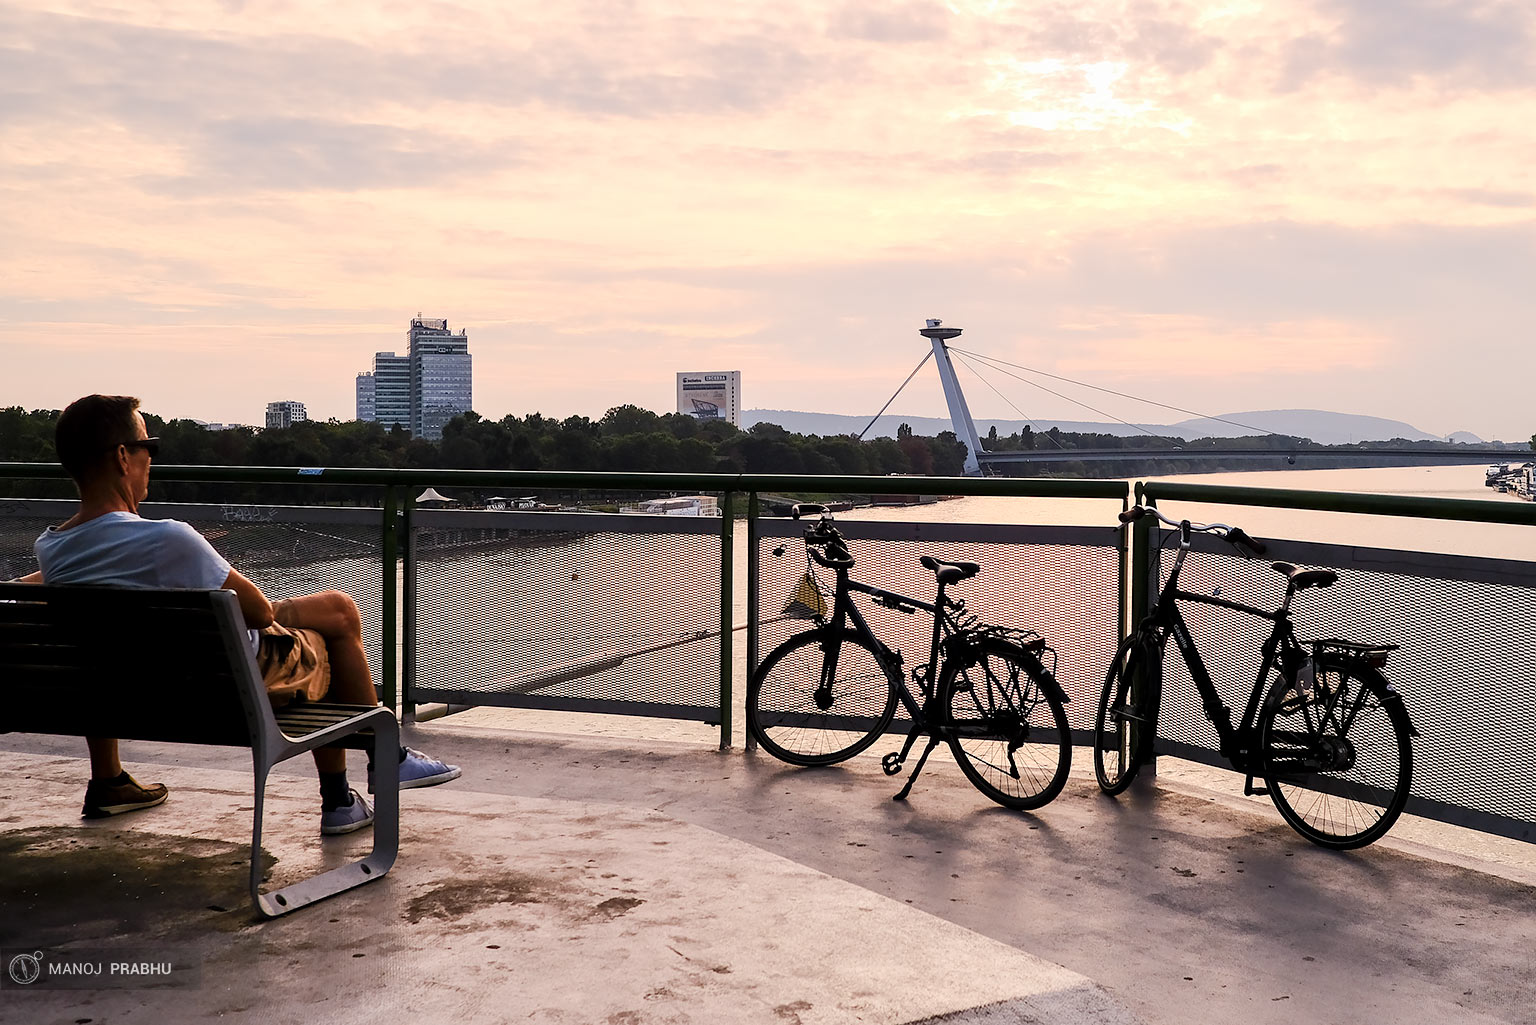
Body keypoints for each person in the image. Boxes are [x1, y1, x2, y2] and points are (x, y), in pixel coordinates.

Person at [18, 394, 460, 835]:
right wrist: (287, 613)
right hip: (228, 690)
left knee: (102, 643)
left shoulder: (53, 551)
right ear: (121, 456)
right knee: (335, 620)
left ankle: (109, 780)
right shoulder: (170, 540)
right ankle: (357, 786)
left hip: (125, 693)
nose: (151, 458)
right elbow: (259, 610)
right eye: (148, 446)